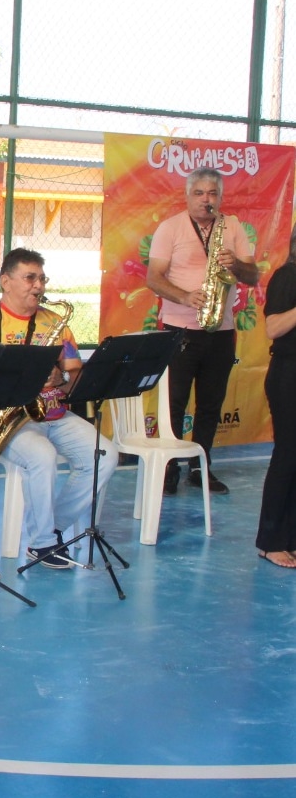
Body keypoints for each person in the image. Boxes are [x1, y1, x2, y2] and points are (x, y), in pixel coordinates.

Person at [0, 247, 117, 567]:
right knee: (42, 456)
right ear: (5, 281)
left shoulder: (55, 322)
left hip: (54, 413)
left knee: (105, 456)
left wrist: (61, 378)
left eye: (42, 278)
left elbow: (75, 376)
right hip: (6, 420)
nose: (38, 286)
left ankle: (52, 529)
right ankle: (43, 544)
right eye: (30, 278)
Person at [146, 167, 259, 495]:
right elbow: (153, 278)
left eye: (212, 193)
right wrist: (184, 297)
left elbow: (252, 276)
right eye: (199, 193)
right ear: (187, 196)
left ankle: (200, 467)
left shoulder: (232, 227)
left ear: (220, 197)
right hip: (180, 329)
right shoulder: (170, 228)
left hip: (220, 330)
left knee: (211, 403)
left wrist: (235, 264)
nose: (205, 200)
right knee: (175, 402)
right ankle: (169, 468)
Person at [255, 224, 296, 569]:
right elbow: (273, 327)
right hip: (288, 374)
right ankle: (270, 542)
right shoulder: (287, 276)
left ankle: (291, 537)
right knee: (287, 455)